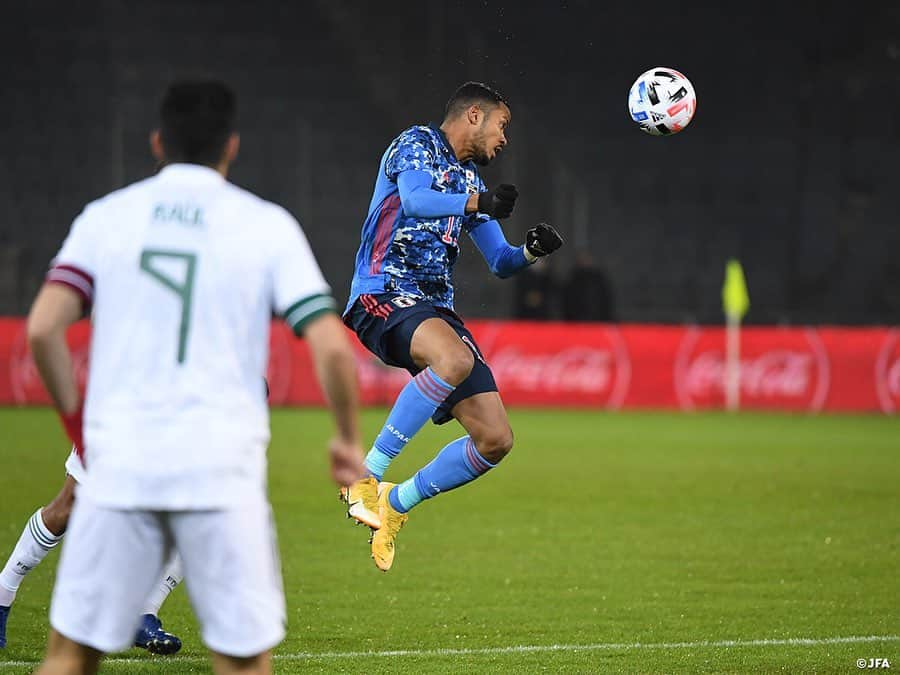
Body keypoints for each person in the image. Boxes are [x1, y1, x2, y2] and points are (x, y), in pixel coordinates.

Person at [28, 80, 366, 675]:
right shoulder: (267, 226)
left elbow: (42, 330)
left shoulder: (106, 219)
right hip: (220, 470)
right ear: (231, 147)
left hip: (122, 462)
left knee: (71, 655)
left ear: (157, 142)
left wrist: (79, 427)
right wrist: (345, 439)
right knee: (241, 661)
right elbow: (332, 348)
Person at [341, 81, 563, 571]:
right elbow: (417, 200)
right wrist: (477, 204)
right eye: (502, 126)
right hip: (383, 291)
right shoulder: (415, 145)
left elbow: (500, 262)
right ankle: (366, 474)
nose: (505, 139)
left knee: (496, 440)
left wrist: (532, 251)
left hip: (434, 309)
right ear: (475, 116)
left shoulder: (470, 183)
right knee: (454, 359)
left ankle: (396, 505)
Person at [0, 449, 183, 655]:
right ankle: (4, 589)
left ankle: (143, 614)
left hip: (180, 426)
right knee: (69, 504)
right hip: (113, 424)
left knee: (196, 507)